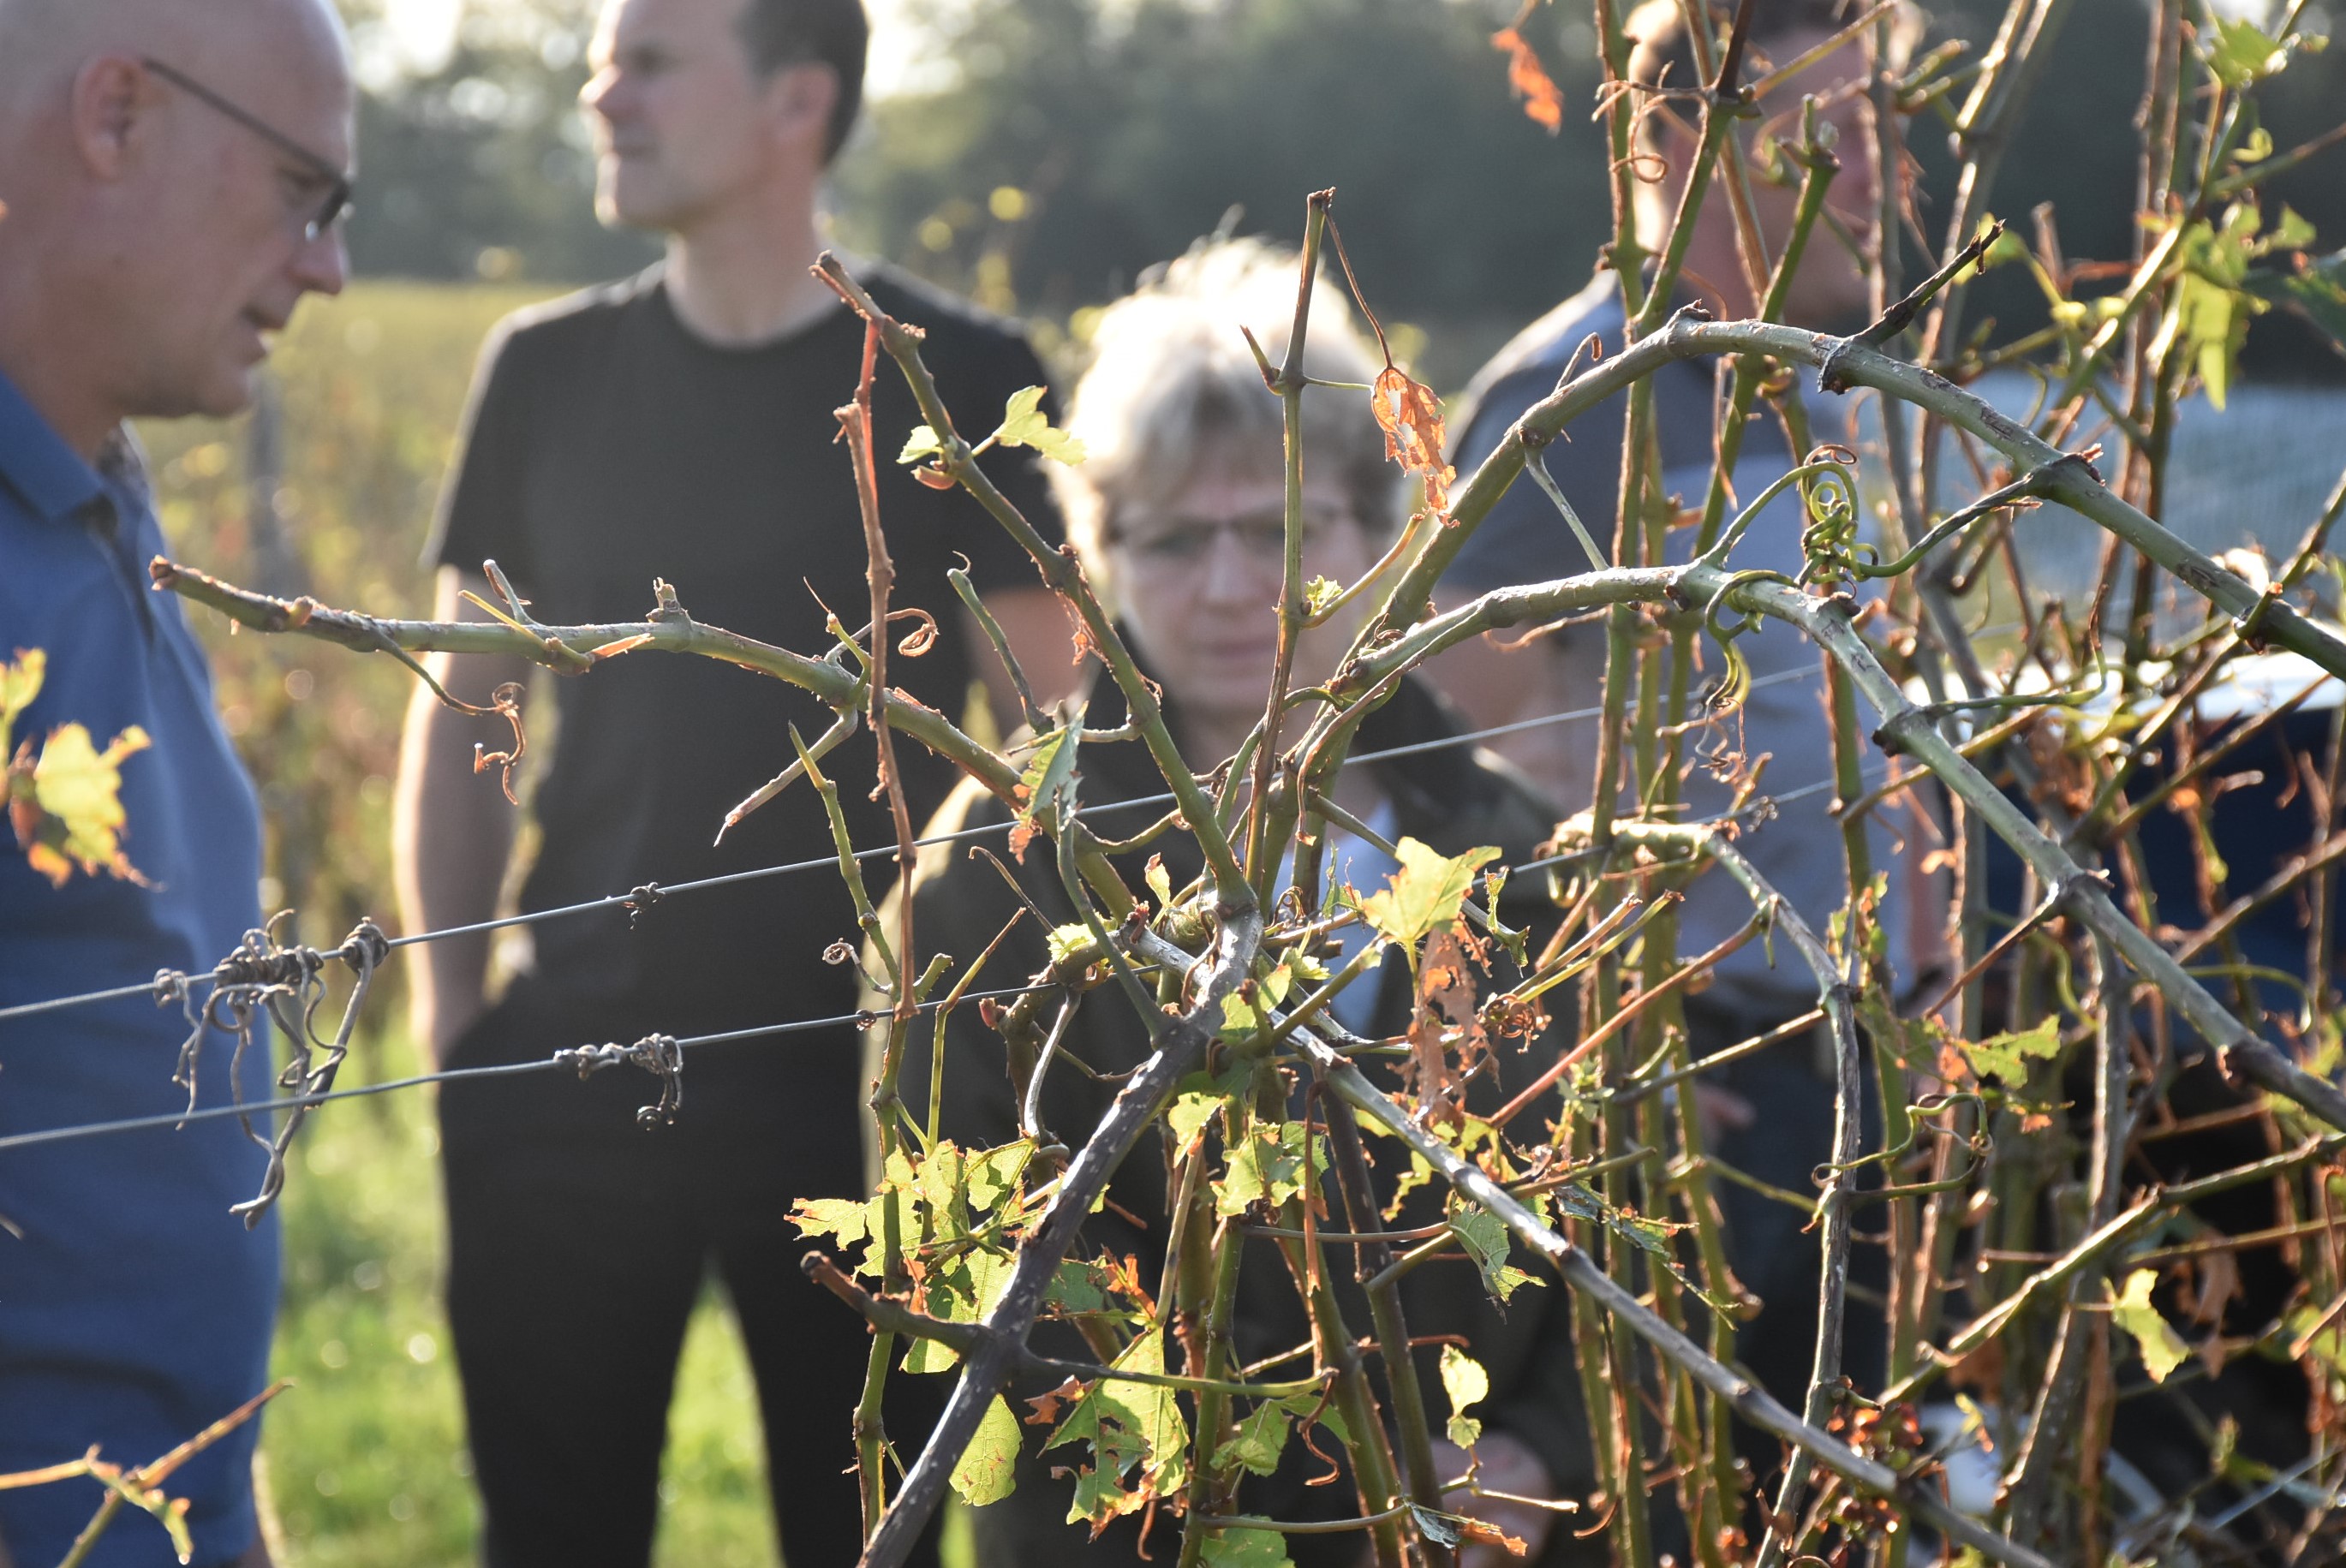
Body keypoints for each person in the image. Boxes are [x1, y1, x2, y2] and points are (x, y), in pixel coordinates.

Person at [391, 1, 1069, 1563]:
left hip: (873, 1095)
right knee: (552, 1538)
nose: (599, 87)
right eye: (603, 56)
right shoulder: (543, 372)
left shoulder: (958, 375)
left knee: (866, 1542)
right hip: (564, 1062)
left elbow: (1061, 739)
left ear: (797, 101)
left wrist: (1009, 1054)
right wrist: (456, 1024)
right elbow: (468, 698)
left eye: (649, 58)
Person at [873, 238, 1597, 1567]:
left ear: (1382, 535)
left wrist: (1540, 1449)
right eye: (1167, 539)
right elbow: (949, 1286)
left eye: (1277, 530)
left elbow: (1627, 1241)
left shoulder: (1519, 858)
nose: (1225, 589)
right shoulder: (994, 872)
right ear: (1098, 558)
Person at [1427, 0, 1931, 1474]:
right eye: (1827, 134)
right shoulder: (1574, 404)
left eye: (1883, 126)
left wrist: (1937, 962)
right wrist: (1593, 1031)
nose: (1875, 169)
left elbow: (1867, 708)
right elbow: (1448, 766)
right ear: (1671, 143)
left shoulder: (1826, 378)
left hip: (1859, 1052)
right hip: (1696, 1086)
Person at [0, 1, 354, 1563]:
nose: (328, 266)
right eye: (303, 192)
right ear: (117, 115)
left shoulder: (103, 503)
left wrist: (226, 1499)